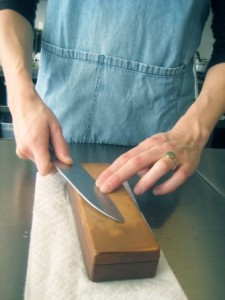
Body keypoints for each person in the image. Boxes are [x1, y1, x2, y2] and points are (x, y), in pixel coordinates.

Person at [0, 0, 224, 196]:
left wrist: (193, 132)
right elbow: (13, 4)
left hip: (163, 152)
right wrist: (20, 96)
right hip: (54, 134)